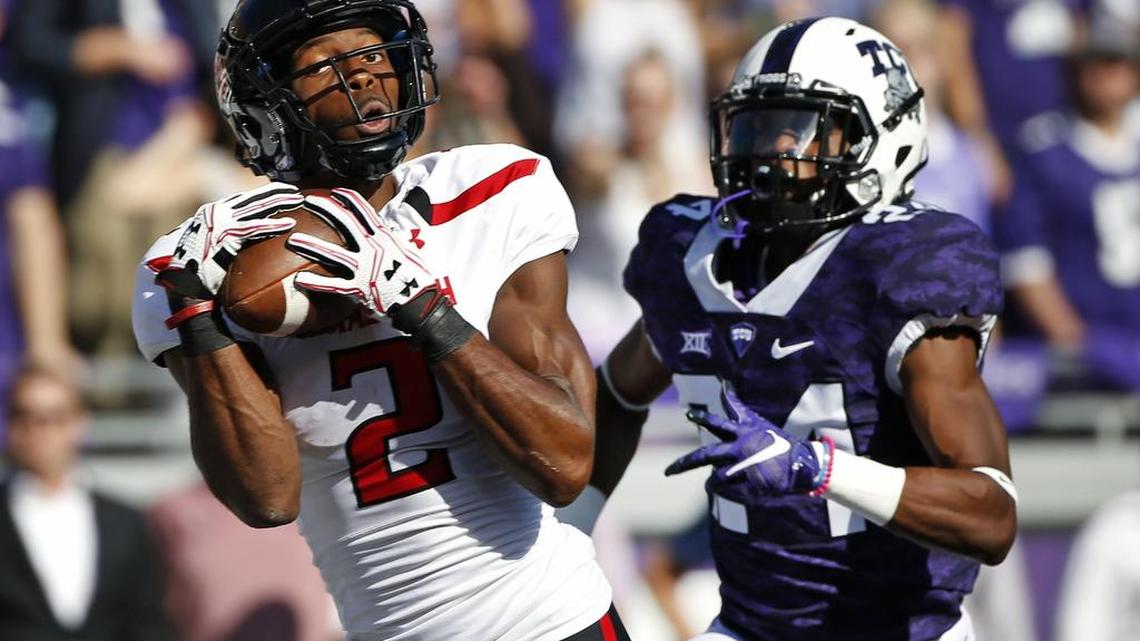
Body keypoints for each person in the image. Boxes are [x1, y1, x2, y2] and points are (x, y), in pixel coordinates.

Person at [131, 1, 626, 640]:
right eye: (325, 64)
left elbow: (562, 464)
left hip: (553, 621)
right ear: (266, 104)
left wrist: (420, 307)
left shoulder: (494, 189)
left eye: (372, 54)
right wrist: (197, 314)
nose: (362, 75)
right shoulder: (203, 266)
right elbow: (267, 497)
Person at [584, 17, 1018, 640]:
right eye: (754, 127)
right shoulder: (696, 261)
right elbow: (618, 397)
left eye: (801, 128)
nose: (770, 152)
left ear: (880, 139)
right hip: (747, 625)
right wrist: (571, 526)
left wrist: (818, 468)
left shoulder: (901, 268)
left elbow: (991, 513)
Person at [994, 19, 1140, 385]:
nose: (1105, 74)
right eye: (1094, 62)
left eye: (1115, 62)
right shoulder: (1043, 151)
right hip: (1083, 357)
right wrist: (1079, 345)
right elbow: (1025, 263)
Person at [0, 365, 172, 640]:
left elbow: (147, 620)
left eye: (54, 417)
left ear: (79, 423)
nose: (38, 430)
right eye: (25, 416)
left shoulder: (125, 521)